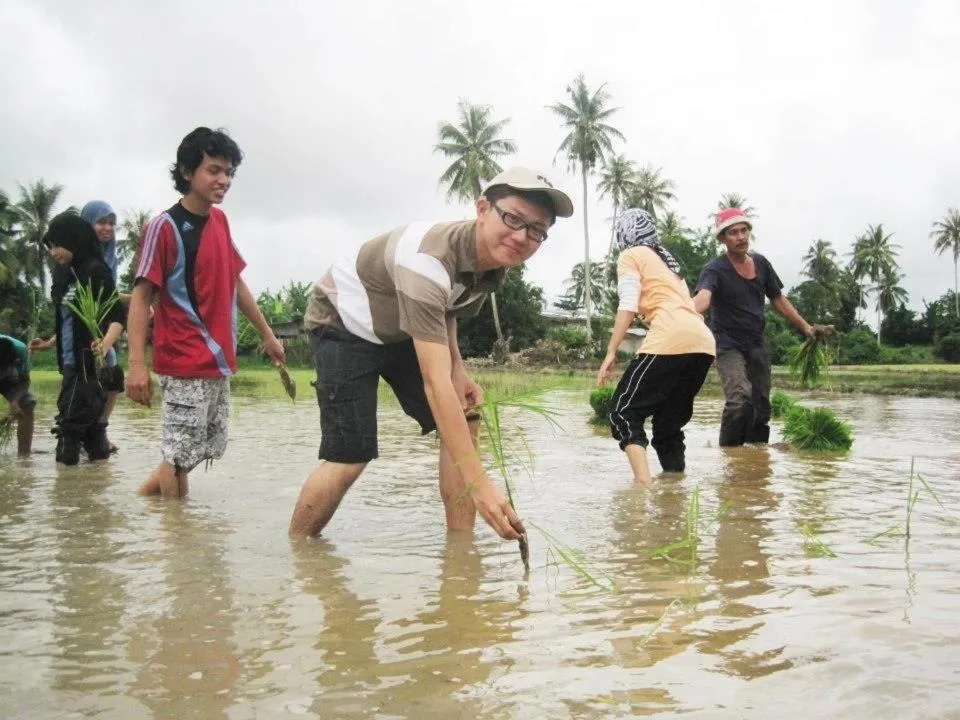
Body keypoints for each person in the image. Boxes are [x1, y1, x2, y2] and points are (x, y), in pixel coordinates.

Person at [288, 167, 574, 541]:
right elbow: (435, 384)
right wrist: (481, 484)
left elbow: (448, 309)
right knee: (350, 454)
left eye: (536, 230)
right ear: (483, 208)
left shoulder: (493, 263)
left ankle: (460, 553)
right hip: (343, 322)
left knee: (465, 420)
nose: (521, 237)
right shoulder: (427, 260)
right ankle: (297, 552)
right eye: (513, 218)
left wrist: (459, 368)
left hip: (400, 327)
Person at [125, 126, 285, 498]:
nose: (224, 180)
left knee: (204, 447)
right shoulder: (163, 227)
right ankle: (179, 542)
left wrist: (268, 334)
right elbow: (140, 296)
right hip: (183, 359)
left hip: (217, 360)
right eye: (214, 170)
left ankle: (146, 499)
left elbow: (236, 282)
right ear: (186, 172)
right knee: (180, 455)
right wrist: (136, 365)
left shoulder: (220, 221)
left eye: (228, 172)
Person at [693, 207, 830, 446]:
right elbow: (703, 298)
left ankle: (756, 457)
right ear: (723, 239)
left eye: (744, 230)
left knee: (761, 406)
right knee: (739, 399)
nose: (740, 237)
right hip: (727, 345)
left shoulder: (761, 263)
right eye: (733, 233)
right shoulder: (714, 269)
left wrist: (806, 327)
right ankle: (730, 454)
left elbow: (778, 300)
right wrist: (677, 314)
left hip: (756, 343)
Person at [597, 209, 716, 484]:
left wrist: (611, 351)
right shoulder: (669, 265)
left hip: (670, 337)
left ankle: (643, 485)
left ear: (624, 234)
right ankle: (674, 489)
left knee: (622, 412)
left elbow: (627, 303)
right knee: (668, 425)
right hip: (703, 343)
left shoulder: (630, 255)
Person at [41, 211, 125, 465]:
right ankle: (94, 494)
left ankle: (65, 493)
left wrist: (105, 344)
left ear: (73, 238)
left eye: (57, 244)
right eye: (50, 247)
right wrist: (49, 342)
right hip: (68, 360)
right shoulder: (65, 276)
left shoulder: (96, 271)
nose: (53, 252)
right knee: (91, 429)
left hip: (89, 362)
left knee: (70, 426)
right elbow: (68, 321)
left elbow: (116, 317)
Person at [0, 333, 37, 456]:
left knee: (27, 404)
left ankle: (24, 455)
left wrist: (15, 401)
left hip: (9, 378)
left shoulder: (20, 349)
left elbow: (25, 381)